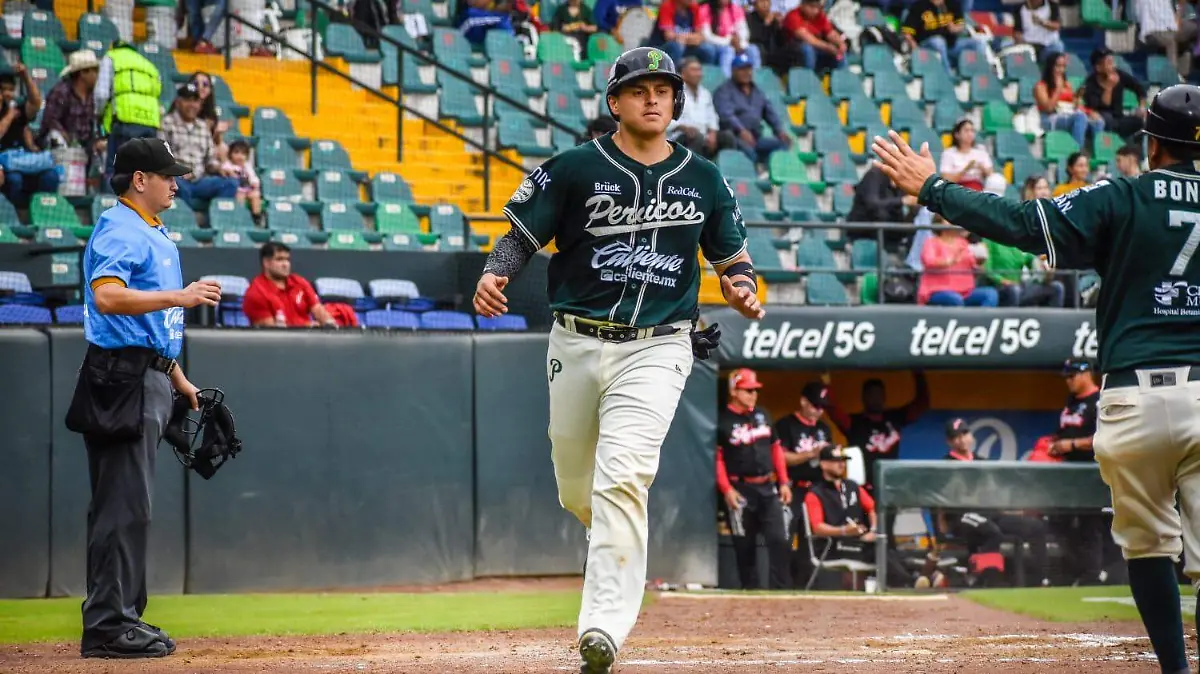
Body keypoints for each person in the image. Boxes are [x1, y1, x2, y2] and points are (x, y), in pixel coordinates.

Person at [871, 82, 1200, 674]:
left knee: (1148, 545)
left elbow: (1026, 224)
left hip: (1135, 396)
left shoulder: (1123, 194)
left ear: (1152, 145)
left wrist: (933, 187)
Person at [472, 47, 763, 674]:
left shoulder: (704, 177)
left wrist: (743, 288)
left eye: (664, 89)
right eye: (639, 89)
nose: (653, 98)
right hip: (575, 342)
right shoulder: (575, 168)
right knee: (580, 489)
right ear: (615, 102)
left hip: (659, 346)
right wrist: (495, 274)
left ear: (676, 101)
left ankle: (602, 626)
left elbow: (733, 259)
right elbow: (520, 235)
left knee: (624, 477)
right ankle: (609, 541)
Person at [70, 138, 221, 658]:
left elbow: (150, 327)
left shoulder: (152, 232)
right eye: (166, 174)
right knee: (121, 504)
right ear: (140, 179)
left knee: (133, 505)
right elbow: (106, 294)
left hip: (146, 373)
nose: (175, 182)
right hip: (121, 378)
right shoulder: (121, 227)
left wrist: (179, 379)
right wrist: (180, 296)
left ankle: (124, 616)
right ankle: (108, 626)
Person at [936, 419, 1051, 587]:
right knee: (991, 531)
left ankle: (1040, 581)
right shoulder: (944, 464)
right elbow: (939, 500)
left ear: (971, 436)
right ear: (949, 441)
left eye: (964, 434)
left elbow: (994, 493)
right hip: (961, 517)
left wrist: (1010, 512)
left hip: (988, 513)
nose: (961, 439)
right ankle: (988, 581)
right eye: (955, 437)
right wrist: (941, 524)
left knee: (1035, 526)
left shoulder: (982, 462)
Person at [802, 445, 927, 589]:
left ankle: (914, 579)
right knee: (878, 549)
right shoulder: (815, 493)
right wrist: (844, 531)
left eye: (843, 460)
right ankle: (912, 581)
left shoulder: (852, 486)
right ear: (823, 464)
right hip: (834, 546)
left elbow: (873, 508)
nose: (841, 464)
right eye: (836, 460)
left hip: (858, 542)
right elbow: (818, 528)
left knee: (882, 544)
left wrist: (873, 530)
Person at [717, 368, 793, 589]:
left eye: (755, 390)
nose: (753, 394)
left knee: (779, 539)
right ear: (735, 391)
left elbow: (776, 449)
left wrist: (784, 481)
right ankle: (751, 596)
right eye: (748, 390)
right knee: (744, 546)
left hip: (768, 487)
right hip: (740, 488)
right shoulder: (723, 421)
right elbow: (718, 459)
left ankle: (782, 592)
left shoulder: (763, 415)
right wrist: (727, 489)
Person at [1048, 358, 1111, 586]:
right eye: (1066, 376)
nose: (1068, 380)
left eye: (1072, 375)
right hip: (1068, 475)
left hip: (1091, 472)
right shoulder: (1071, 402)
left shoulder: (1100, 400)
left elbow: (1107, 437)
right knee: (1060, 523)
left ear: (1086, 374)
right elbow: (1062, 433)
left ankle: (1092, 575)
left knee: (1090, 525)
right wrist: (1055, 444)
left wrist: (1072, 444)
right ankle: (1074, 571)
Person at [825, 372, 929, 495]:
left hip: (891, 486)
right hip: (863, 489)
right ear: (863, 397)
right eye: (871, 395)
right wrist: (826, 382)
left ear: (884, 397)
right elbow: (832, 408)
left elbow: (922, 404)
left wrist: (918, 373)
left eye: (879, 394)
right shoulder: (855, 423)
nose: (875, 398)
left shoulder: (895, 418)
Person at [774, 380, 834, 587]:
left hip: (816, 491)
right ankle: (783, 587)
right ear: (803, 401)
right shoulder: (786, 424)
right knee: (785, 540)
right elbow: (781, 457)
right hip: (792, 489)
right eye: (815, 405)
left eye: (823, 407)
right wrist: (811, 453)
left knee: (811, 544)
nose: (819, 411)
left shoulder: (824, 429)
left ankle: (805, 588)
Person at [158, 82, 238, 210]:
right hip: (177, 180)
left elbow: (210, 160)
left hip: (200, 181)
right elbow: (160, 157)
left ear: (200, 105)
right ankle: (191, 222)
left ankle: (216, 223)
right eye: (187, 100)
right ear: (178, 102)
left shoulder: (202, 127)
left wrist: (220, 169)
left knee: (230, 184)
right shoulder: (167, 123)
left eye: (195, 101)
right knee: (176, 186)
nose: (192, 105)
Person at [96, 41, 162, 187]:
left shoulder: (111, 57)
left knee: (117, 172)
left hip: (124, 122)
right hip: (150, 125)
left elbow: (101, 94)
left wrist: (98, 114)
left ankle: (112, 206)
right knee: (143, 174)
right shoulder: (148, 65)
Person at [713, 53, 792, 165]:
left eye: (749, 69)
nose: (747, 73)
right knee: (750, 154)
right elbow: (726, 115)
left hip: (756, 138)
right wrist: (741, 130)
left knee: (782, 144)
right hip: (734, 137)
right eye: (742, 69)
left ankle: (767, 171)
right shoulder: (724, 91)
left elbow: (770, 113)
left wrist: (779, 131)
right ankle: (754, 172)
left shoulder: (757, 92)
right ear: (733, 71)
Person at [242, 242, 340, 327]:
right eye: (279, 259)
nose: (285, 264)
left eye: (287, 259)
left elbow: (317, 309)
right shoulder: (256, 293)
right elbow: (272, 332)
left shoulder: (299, 282)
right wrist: (307, 326)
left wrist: (329, 324)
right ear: (266, 262)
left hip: (307, 340)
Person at [0, 65, 58, 207]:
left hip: (22, 160)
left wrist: (25, 77)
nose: (8, 94)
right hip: (5, 166)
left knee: (51, 176)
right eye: (3, 90)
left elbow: (35, 103)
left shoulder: (16, 108)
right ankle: (17, 215)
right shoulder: (10, 112)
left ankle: (43, 212)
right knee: (15, 180)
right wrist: (9, 116)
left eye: (11, 90)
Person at [917, 220, 998, 306]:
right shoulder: (931, 242)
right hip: (938, 290)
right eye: (947, 220)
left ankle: (979, 319)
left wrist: (980, 261)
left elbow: (973, 265)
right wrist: (950, 261)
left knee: (990, 294)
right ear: (939, 224)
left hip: (966, 291)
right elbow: (928, 261)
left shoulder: (963, 242)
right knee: (955, 299)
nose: (953, 222)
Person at [1035, 52, 1104, 151]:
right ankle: (1077, 153)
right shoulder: (1041, 86)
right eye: (1058, 66)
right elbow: (1048, 109)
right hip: (1049, 118)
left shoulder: (1067, 85)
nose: (1061, 70)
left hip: (1067, 114)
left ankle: (1097, 155)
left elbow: (1073, 106)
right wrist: (1058, 89)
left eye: (1063, 66)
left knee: (1098, 121)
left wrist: (1088, 111)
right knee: (1080, 117)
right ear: (1050, 67)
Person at [901, 0, 985, 77]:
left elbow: (961, 25)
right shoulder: (919, 6)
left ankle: (980, 76)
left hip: (951, 45)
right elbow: (907, 32)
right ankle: (947, 76)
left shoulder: (951, 4)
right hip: (927, 46)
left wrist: (955, 28)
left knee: (978, 43)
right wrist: (914, 47)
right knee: (938, 41)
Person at [39, 49, 102, 154]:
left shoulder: (93, 96)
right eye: (94, 70)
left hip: (85, 144)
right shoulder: (62, 92)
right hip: (61, 144)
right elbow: (50, 120)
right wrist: (65, 135)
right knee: (56, 136)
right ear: (83, 73)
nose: (97, 74)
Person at [667, 58, 731, 158]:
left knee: (727, 137)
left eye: (699, 70)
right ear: (683, 73)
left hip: (704, 136)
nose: (698, 73)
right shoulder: (675, 93)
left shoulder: (705, 93)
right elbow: (667, 118)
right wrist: (683, 127)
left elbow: (712, 116)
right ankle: (692, 170)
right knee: (696, 137)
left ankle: (724, 170)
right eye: (694, 70)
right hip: (681, 136)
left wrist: (713, 133)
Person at [1080, 48, 1146, 141]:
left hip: (1119, 117)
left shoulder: (1119, 74)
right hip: (1101, 118)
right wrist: (1109, 87)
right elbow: (1099, 106)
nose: (1113, 66)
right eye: (1109, 63)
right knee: (1107, 119)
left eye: (1113, 62)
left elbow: (1139, 88)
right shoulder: (1090, 83)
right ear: (1098, 67)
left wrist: (1141, 107)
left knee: (1144, 122)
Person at [984, 232, 1066, 307]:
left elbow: (1033, 262)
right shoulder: (989, 240)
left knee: (1057, 287)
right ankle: (1013, 320)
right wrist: (1003, 281)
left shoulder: (1019, 243)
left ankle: (1053, 321)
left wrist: (1044, 273)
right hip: (999, 288)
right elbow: (986, 270)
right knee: (1014, 290)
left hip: (1020, 287)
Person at [781, 0, 846, 72]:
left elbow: (830, 33)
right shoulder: (793, 15)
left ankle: (842, 77)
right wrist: (827, 47)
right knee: (807, 49)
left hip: (817, 49)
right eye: (811, 7)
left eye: (817, 7)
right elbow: (807, 38)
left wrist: (840, 43)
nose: (815, 11)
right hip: (793, 52)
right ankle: (808, 77)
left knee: (839, 53)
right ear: (802, 5)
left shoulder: (820, 16)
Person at [1138, 0, 1196, 80]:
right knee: (1170, 41)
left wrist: (1179, 10)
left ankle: (1185, 73)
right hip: (1152, 31)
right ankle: (1172, 75)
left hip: (1170, 28)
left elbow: (1174, 18)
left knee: (1195, 28)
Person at [701, 0, 761, 77]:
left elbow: (744, 31)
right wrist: (729, 41)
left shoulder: (736, 9)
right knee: (728, 50)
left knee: (753, 49)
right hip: (716, 45)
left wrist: (740, 42)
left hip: (736, 43)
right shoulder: (705, 9)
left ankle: (755, 81)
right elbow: (707, 36)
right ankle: (728, 82)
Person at [939, 119, 997, 193]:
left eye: (972, 131)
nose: (970, 134)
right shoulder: (948, 153)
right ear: (957, 134)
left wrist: (981, 168)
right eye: (966, 131)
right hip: (956, 190)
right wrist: (966, 169)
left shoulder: (981, 151)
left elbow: (991, 174)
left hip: (977, 189)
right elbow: (946, 179)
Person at [655, 0, 718, 65]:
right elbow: (669, 36)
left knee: (708, 49)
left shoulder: (694, 7)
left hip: (686, 46)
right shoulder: (667, 5)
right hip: (662, 47)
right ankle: (672, 74)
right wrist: (692, 38)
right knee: (676, 47)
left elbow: (700, 37)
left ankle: (703, 74)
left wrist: (683, 38)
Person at [221, 139, 262, 224]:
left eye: (243, 154)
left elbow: (252, 176)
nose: (240, 156)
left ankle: (256, 216)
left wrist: (255, 183)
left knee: (256, 194)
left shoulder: (247, 166)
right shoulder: (228, 165)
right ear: (230, 154)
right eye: (236, 152)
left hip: (247, 188)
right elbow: (224, 170)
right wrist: (229, 172)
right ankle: (239, 215)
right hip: (236, 189)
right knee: (240, 196)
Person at [746, 0, 786, 74]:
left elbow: (781, 41)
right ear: (755, 5)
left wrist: (780, 26)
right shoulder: (749, 18)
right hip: (759, 50)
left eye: (767, 1)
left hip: (774, 52)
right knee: (758, 48)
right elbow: (755, 38)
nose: (765, 5)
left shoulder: (774, 18)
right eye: (761, 2)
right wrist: (766, 23)